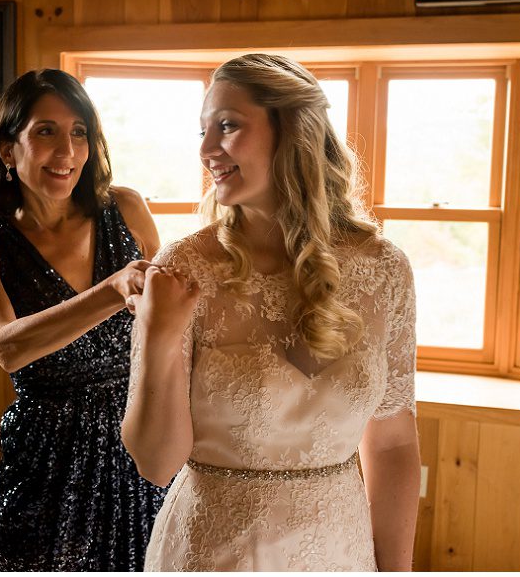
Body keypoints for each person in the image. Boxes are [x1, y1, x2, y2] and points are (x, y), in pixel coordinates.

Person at [122, 54, 421, 571]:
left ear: (293, 131)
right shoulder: (186, 267)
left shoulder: (385, 269)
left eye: (228, 126)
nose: (207, 150)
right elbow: (155, 462)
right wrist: (158, 333)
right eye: (203, 130)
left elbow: (393, 443)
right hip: (213, 552)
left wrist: (394, 570)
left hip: (336, 551)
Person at [0, 68, 167, 571]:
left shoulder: (128, 211)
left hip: (138, 440)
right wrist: (111, 291)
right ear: (8, 150)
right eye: (45, 131)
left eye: (79, 132)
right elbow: (8, 347)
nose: (66, 152)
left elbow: (172, 325)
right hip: (47, 458)